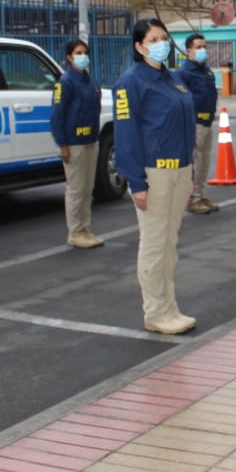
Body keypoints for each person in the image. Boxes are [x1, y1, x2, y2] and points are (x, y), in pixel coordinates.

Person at [114, 19, 198, 335]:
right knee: (154, 244)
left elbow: (185, 126)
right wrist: (136, 182)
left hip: (179, 169)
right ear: (139, 46)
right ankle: (155, 312)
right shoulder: (131, 83)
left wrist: (188, 170)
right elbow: (126, 135)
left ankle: (169, 307)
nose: (161, 43)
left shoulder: (172, 79)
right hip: (155, 173)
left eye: (164, 37)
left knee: (169, 244)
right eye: (153, 39)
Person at [51, 38, 105, 249]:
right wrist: (62, 144)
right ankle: (75, 231)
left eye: (85, 52)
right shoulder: (65, 82)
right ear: (69, 57)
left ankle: (86, 228)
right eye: (78, 52)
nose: (83, 56)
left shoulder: (89, 81)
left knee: (87, 188)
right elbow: (57, 116)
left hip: (90, 140)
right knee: (76, 189)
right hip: (74, 143)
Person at [176, 33, 220, 214]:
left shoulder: (206, 71)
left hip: (207, 121)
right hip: (194, 122)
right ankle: (193, 199)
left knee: (204, 160)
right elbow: (181, 100)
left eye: (204, 47)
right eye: (198, 47)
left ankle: (201, 194)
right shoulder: (183, 73)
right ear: (189, 51)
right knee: (195, 161)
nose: (203, 50)